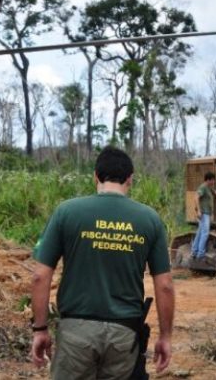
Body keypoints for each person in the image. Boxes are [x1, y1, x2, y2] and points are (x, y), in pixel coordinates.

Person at [30, 146, 174, 379]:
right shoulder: (149, 219)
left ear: (95, 176)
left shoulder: (66, 212)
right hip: (124, 334)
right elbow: (165, 285)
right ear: (130, 179)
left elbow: (39, 276)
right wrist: (165, 336)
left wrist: (40, 328)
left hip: (75, 332)